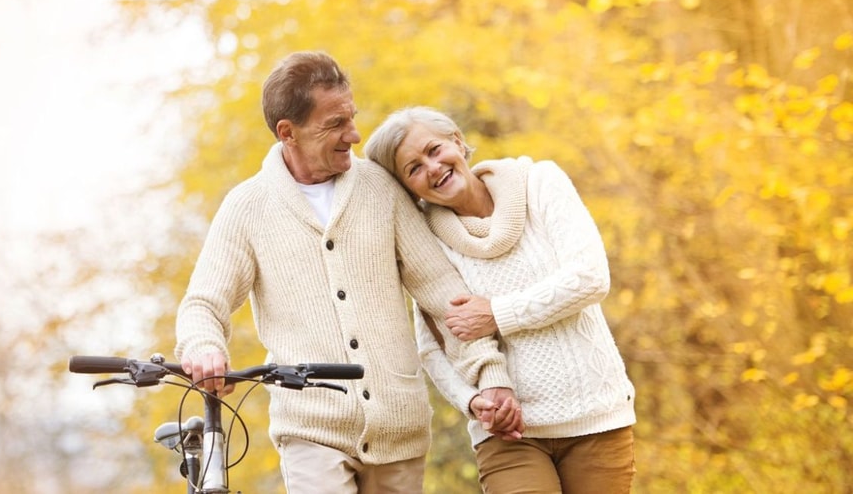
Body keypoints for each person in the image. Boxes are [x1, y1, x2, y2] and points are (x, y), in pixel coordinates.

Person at [175, 52, 521, 494]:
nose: (354, 135)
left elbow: (444, 294)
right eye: (335, 124)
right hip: (311, 431)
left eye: (351, 118)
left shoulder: (381, 189)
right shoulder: (248, 208)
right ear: (288, 132)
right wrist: (205, 348)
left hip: (399, 430)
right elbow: (205, 302)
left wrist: (489, 375)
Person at [364, 105, 637, 494]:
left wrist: (496, 313)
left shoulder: (539, 183)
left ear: (457, 142)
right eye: (413, 169)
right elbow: (433, 348)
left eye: (434, 150)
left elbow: (590, 278)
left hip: (597, 419)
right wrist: (471, 400)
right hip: (509, 436)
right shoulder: (428, 241)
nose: (432, 167)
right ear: (410, 188)